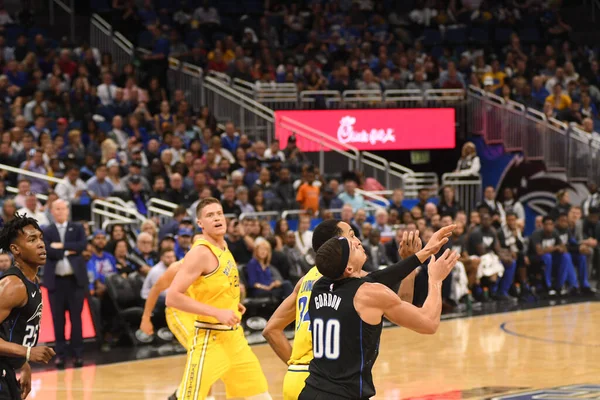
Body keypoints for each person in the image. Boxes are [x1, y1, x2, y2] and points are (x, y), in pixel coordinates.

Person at [262, 219, 455, 400]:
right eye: (351, 237)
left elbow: (270, 329)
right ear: (336, 247)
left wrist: (418, 256)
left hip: (306, 379)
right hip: (339, 384)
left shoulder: (314, 283)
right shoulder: (366, 293)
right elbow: (418, 315)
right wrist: (435, 280)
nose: (358, 242)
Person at [166, 198, 272, 400]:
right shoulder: (199, 253)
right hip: (210, 339)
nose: (216, 218)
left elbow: (217, 287)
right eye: (210, 215)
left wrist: (232, 304)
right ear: (200, 224)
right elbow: (172, 297)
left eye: (219, 213)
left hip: (235, 339)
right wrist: (217, 312)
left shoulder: (224, 246)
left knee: (260, 395)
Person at [0, 213, 56, 400]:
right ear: (15, 249)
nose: (41, 244)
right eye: (32, 240)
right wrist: (28, 352)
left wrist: (23, 364)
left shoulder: (31, 280)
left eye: (40, 238)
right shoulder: (12, 285)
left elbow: (8, 333)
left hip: (7, 367)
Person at [42, 199, 88, 369]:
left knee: (76, 319)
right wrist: (69, 250)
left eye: (63, 208)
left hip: (75, 281)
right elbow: (46, 249)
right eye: (57, 208)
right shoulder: (47, 230)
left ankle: (78, 354)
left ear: (68, 211)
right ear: (52, 211)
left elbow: (82, 245)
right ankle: (60, 355)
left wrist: (60, 246)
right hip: (56, 282)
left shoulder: (77, 228)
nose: (60, 211)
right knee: (58, 320)